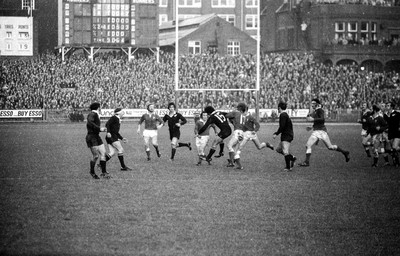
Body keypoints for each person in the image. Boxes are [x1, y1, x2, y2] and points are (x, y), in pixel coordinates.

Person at [299, 98, 350, 167]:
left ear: (317, 104)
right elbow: (317, 122)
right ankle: (306, 162)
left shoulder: (320, 110)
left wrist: (313, 119)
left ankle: (345, 152)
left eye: (313, 103)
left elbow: (322, 119)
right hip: (316, 132)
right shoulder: (316, 111)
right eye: (312, 103)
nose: (312, 105)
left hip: (322, 132)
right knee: (308, 145)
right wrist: (312, 126)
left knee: (330, 147)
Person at [85, 102, 110, 179]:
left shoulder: (95, 114)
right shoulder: (92, 114)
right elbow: (90, 122)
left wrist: (101, 129)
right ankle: (92, 172)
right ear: (98, 107)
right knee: (96, 156)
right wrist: (99, 128)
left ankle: (104, 173)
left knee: (103, 153)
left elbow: (93, 125)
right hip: (91, 137)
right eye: (100, 107)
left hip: (96, 136)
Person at [273, 101, 296, 171]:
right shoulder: (285, 115)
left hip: (286, 135)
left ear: (279, 108)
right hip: (287, 135)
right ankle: (292, 158)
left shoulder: (282, 115)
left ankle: (288, 167)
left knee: (285, 152)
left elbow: (282, 126)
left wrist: (276, 133)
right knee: (278, 149)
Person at [385, 102, 400, 166]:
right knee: (391, 149)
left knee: (394, 147)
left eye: (388, 105)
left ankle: (397, 162)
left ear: (391, 107)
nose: (386, 107)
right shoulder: (385, 114)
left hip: (397, 133)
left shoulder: (397, 113)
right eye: (386, 105)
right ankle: (396, 160)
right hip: (390, 133)